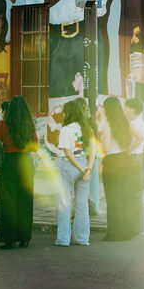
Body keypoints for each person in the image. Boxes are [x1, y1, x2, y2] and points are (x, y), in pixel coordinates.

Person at [0, 96, 38, 249]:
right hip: (25, 163)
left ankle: (8, 239)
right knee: (25, 201)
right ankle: (24, 238)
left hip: (7, 164)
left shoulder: (2, 125)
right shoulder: (29, 125)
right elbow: (35, 147)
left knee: (7, 201)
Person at [97, 97, 144, 241]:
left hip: (112, 162)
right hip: (125, 160)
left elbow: (106, 148)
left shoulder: (107, 124)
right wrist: (129, 149)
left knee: (113, 199)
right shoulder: (125, 122)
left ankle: (115, 233)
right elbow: (140, 137)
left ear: (108, 109)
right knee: (124, 197)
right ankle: (127, 232)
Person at [55, 98, 97, 246]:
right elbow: (93, 152)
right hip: (85, 165)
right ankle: (82, 238)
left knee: (64, 203)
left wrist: (80, 168)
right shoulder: (87, 129)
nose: (63, 114)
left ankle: (63, 239)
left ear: (69, 113)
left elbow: (67, 153)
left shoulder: (66, 130)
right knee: (82, 204)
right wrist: (88, 169)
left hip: (69, 167)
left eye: (64, 111)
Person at [124, 97, 144, 234]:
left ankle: (134, 227)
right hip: (137, 159)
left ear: (133, 109)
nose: (125, 109)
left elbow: (140, 138)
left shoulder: (135, 123)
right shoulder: (139, 122)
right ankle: (137, 226)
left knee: (133, 193)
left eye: (127, 107)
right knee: (135, 194)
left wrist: (129, 150)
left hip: (134, 158)